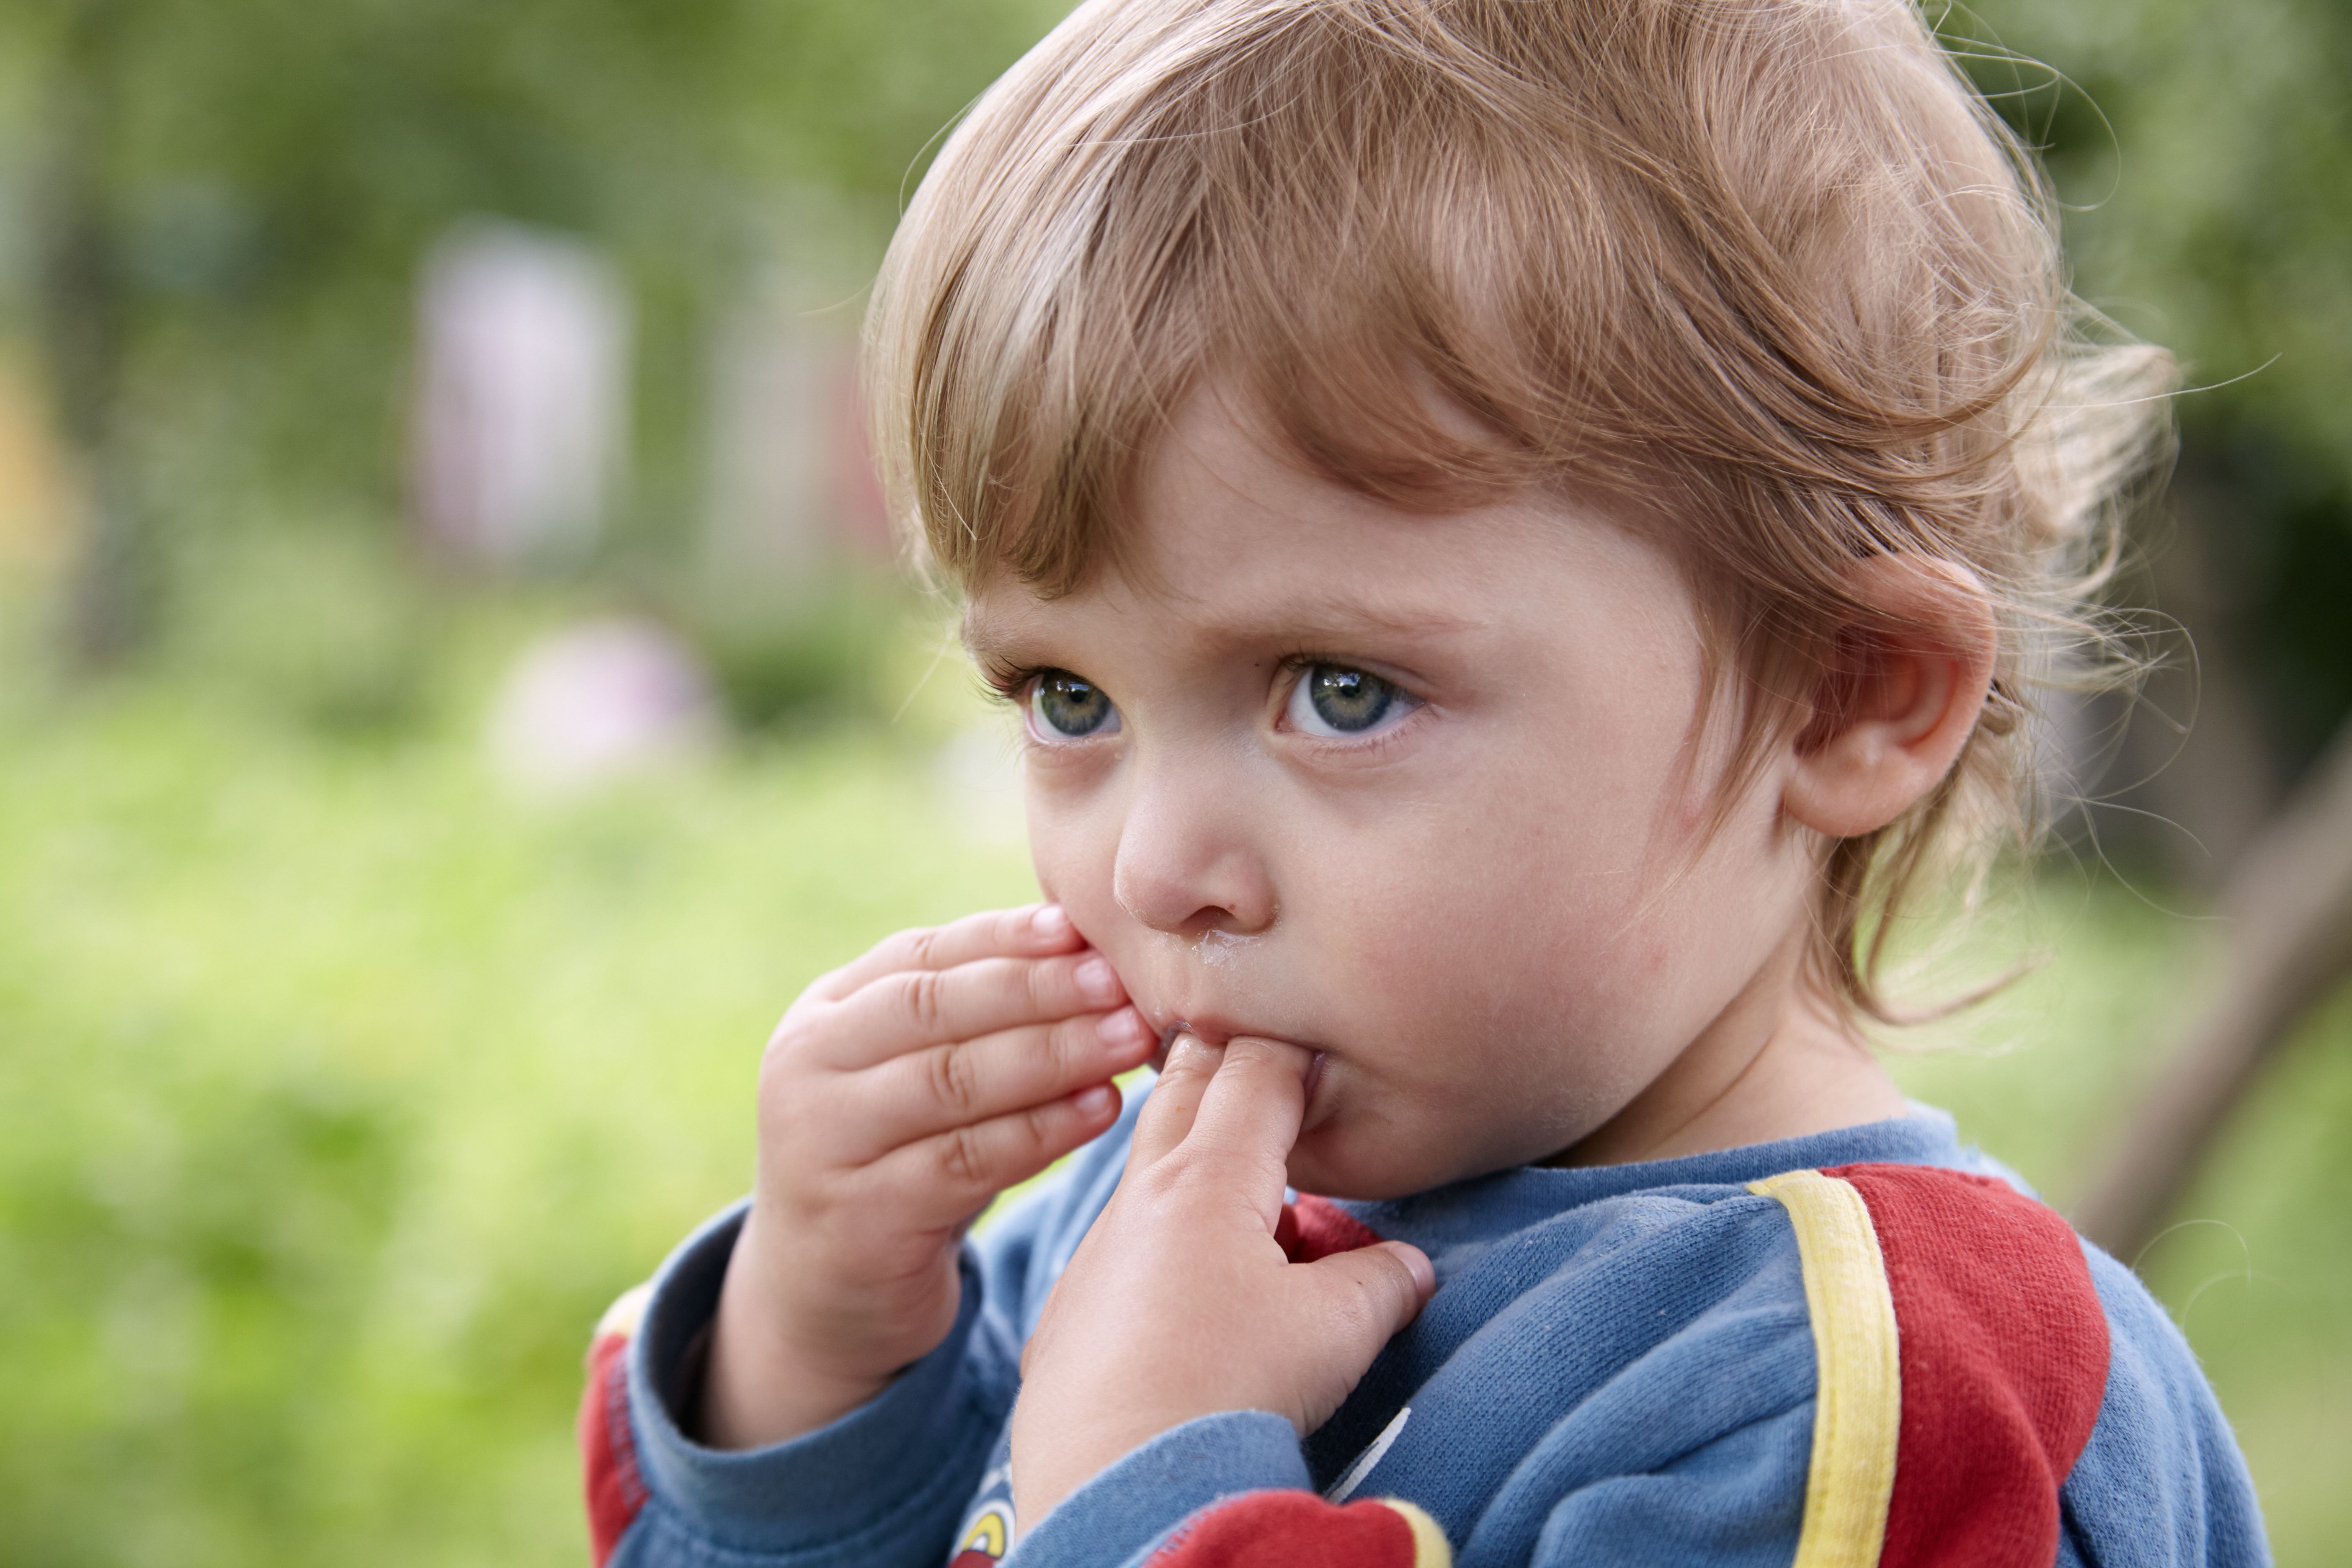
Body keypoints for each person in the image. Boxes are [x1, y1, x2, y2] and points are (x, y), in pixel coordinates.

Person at [577, 2, 2270, 1564]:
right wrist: (816, 1352)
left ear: (1842, 700)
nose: (1158, 866)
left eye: (1342, 691)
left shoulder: (1877, 1402)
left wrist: (1137, 1484)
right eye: (1068, 697)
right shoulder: (1159, 1216)